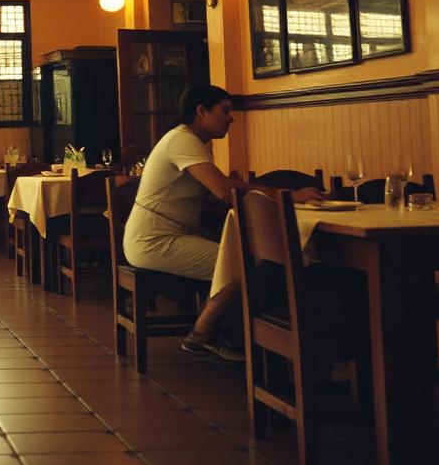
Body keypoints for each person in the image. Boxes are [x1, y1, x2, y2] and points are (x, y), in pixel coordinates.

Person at [123, 84, 324, 362]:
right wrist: (287, 194)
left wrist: (234, 184)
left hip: (165, 236)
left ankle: (230, 332)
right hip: (154, 242)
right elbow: (221, 191)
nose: (232, 118)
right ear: (201, 111)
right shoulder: (183, 140)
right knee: (248, 264)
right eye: (225, 111)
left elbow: (217, 189)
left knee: (248, 258)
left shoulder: (189, 141)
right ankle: (201, 334)